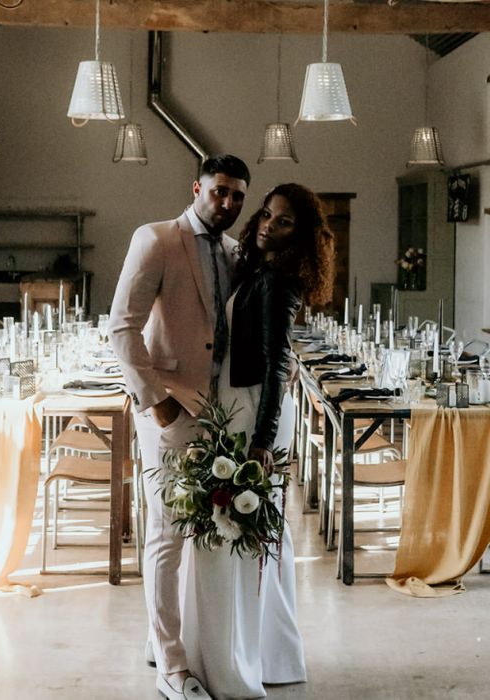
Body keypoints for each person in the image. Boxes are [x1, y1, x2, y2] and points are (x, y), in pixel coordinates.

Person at [180, 183, 335, 699]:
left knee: (243, 535)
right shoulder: (260, 272)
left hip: (253, 414)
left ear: (302, 234)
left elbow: (277, 365)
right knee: (253, 535)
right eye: (267, 214)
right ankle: (268, 654)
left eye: (284, 220)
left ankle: (244, 658)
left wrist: (262, 440)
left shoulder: (278, 282)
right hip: (241, 405)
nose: (268, 223)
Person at [108, 154, 251, 700]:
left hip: (224, 414)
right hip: (170, 412)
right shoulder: (157, 239)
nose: (228, 204)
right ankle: (172, 664)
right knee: (166, 534)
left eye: (237, 196)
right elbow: (121, 328)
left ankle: (181, 639)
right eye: (220, 191)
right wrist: (154, 402)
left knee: (211, 534)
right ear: (197, 187)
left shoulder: (237, 253)